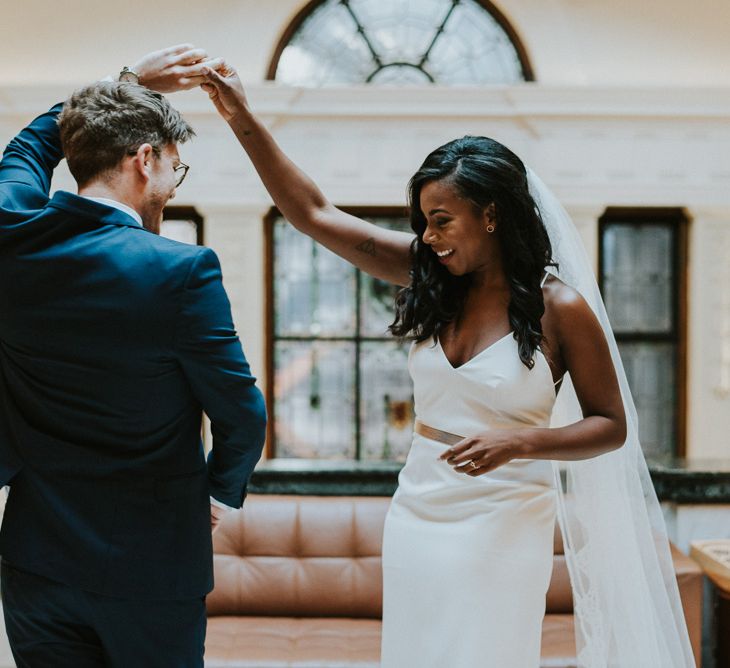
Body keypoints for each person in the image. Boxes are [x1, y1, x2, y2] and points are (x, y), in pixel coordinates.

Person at [198, 65, 695, 667]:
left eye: (441, 220)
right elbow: (313, 214)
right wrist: (241, 116)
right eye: (423, 221)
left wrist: (519, 442)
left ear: (490, 215)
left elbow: (612, 425)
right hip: (418, 511)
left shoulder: (557, 306)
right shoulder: (428, 276)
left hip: (506, 519)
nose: (428, 237)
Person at [0, 46, 267, 667]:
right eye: (177, 169)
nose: (174, 188)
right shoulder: (181, 271)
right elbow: (240, 412)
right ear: (145, 160)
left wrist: (122, 83)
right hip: (151, 570)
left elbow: (23, 151)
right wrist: (219, 497)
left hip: (34, 558)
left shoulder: (11, 234)